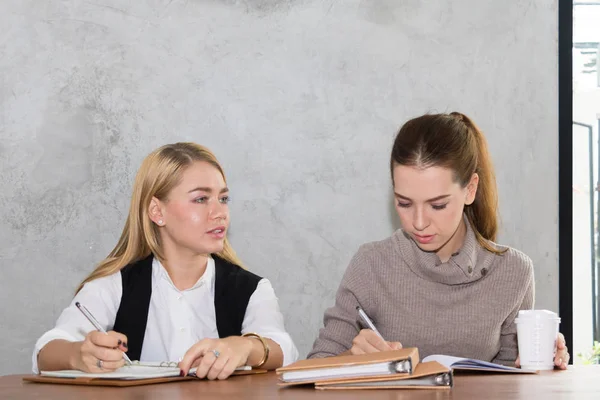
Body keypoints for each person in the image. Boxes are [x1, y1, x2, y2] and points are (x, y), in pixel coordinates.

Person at [307, 112, 569, 369]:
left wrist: (544, 362)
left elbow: (511, 382)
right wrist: (351, 360)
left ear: (470, 189)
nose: (419, 222)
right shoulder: (371, 264)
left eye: (438, 205)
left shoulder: (513, 271)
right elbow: (313, 368)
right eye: (404, 203)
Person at [33, 142, 299, 379]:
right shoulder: (115, 284)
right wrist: (78, 355)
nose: (220, 213)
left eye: (224, 198)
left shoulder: (252, 289)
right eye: (201, 199)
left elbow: (283, 349)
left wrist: (247, 347)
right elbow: (47, 349)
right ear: (157, 211)